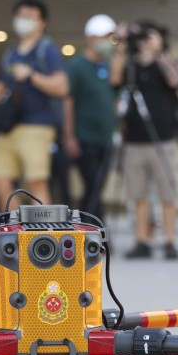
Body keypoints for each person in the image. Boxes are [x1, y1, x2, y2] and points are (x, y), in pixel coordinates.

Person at [0, 0, 68, 210]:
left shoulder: (47, 49)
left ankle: (43, 229)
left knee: (36, 183)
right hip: (8, 126)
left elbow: (62, 87)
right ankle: (16, 225)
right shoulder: (11, 53)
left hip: (37, 126)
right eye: (21, 15)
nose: (24, 20)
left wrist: (31, 75)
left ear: (42, 22)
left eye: (30, 16)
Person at [110, 20, 178, 260]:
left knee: (167, 193)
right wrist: (121, 44)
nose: (144, 41)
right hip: (134, 141)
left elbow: (177, 80)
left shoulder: (165, 63)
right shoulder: (131, 67)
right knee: (138, 195)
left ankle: (170, 241)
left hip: (163, 140)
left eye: (149, 36)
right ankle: (142, 240)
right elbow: (114, 79)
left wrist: (158, 51)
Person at [63, 14, 118, 223]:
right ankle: (96, 228)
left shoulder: (108, 65)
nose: (107, 42)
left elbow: (116, 93)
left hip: (106, 137)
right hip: (84, 137)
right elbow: (68, 102)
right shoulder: (77, 66)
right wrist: (69, 136)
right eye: (104, 37)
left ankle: (86, 227)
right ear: (91, 38)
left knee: (97, 187)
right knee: (93, 184)